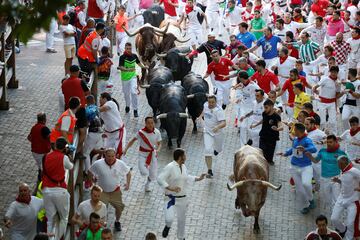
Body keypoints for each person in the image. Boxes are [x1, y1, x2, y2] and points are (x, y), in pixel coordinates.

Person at [157, 148, 207, 239]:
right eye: (185, 155)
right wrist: (170, 188)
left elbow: (186, 177)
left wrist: (199, 178)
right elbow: (160, 179)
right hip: (170, 198)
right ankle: (167, 226)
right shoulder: (170, 167)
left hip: (182, 199)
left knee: (181, 220)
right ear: (180, 157)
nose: (186, 157)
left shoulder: (183, 167)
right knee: (169, 218)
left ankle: (181, 237)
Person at [88, 148, 132, 232]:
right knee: (100, 209)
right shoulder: (98, 164)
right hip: (102, 192)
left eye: (113, 156)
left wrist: (128, 184)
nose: (111, 158)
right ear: (105, 155)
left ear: (115, 156)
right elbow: (90, 171)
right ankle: (100, 225)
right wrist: (91, 183)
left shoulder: (120, 163)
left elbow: (128, 173)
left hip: (115, 191)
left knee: (119, 208)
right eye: (109, 156)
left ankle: (117, 221)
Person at [278, 123, 317, 214]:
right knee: (299, 189)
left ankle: (311, 200)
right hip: (294, 167)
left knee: (306, 184)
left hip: (306, 167)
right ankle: (305, 206)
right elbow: (293, 149)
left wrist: (304, 149)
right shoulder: (295, 139)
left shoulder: (307, 140)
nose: (293, 131)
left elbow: (314, 149)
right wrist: (285, 153)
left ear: (299, 131)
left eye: (294, 130)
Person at [42, 137, 74, 239]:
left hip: (46, 190)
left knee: (50, 219)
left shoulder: (46, 156)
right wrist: (68, 156)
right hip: (60, 190)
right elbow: (70, 167)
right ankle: (57, 238)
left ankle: (49, 238)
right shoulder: (63, 158)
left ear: (55, 146)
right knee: (64, 218)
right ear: (64, 148)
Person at [306, 135, 346, 209]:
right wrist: (310, 156)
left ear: (335, 142)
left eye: (331, 142)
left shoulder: (341, 153)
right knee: (327, 200)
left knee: (336, 200)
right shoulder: (322, 151)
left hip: (335, 179)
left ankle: (336, 217)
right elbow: (316, 160)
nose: (328, 144)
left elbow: (347, 166)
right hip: (324, 179)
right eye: (327, 142)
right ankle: (330, 214)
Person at [123, 116, 162, 191]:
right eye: (148, 123)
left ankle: (147, 184)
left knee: (153, 175)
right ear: (145, 124)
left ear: (154, 123)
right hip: (142, 154)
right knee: (144, 172)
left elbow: (160, 143)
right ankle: (145, 170)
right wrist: (126, 149)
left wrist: (158, 150)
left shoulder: (157, 132)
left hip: (152, 154)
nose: (150, 125)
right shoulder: (141, 133)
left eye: (152, 123)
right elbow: (132, 141)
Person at [61, 65, 90, 158]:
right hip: (80, 109)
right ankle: (78, 151)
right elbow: (87, 92)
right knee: (83, 131)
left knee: (70, 131)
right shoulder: (80, 81)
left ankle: (70, 150)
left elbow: (64, 93)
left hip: (68, 109)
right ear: (77, 72)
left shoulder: (64, 83)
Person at [331, 155, 360, 239]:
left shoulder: (354, 171)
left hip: (352, 200)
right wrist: (338, 180)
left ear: (343, 163)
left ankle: (348, 238)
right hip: (341, 198)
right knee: (334, 219)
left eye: (338, 163)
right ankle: (343, 230)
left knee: (350, 223)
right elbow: (345, 183)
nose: (337, 165)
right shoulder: (342, 170)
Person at [119, 42, 147, 117]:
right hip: (124, 79)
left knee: (134, 92)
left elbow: (139, 63)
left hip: (133, 77)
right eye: (127, 48)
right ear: (125, 49)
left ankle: (135, 110)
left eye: (130, 48)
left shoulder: (134, 56)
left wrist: (144, 67)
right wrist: (128, 69)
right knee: (126, 94)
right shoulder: (122, 57)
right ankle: (127, 106)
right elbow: (121, 67)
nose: (129, 50)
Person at [251, 99, 283, 165]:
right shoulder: (264, 113)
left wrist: (277, 129)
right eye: (264, 107)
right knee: (261, 150)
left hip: (272, 138)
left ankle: (269, 161)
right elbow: (263, 120)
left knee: (269, 153)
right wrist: (255, 125)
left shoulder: (276, 116)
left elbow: (281, 127)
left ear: (271, 106)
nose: (265, 109)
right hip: (263, 135)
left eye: (266, 108)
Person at [312, 66, 341, 134]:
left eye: (335, 72)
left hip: (332, 103)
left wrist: (342, 92)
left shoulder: (338, 82)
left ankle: (334, 135)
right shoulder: (325, 79)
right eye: (332, 72)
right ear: (329, 72)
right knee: (322, 121)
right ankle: (321, 134)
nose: (333, 73)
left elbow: (337, 95)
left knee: (333, 121)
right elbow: (315, 86)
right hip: (322, 102)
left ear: (337, 73)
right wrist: (315, 91)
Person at [202, 95, 226, 178]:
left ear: (216, 102)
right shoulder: (205, 105)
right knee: (207, 150)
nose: (211, 104)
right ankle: (209, 170)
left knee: (219, 149)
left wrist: (217, 127)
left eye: (213, 102)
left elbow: (224, 123)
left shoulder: (219, 111)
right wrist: (199, 116)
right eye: (209, 102)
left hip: (218, 133)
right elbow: (203, 112)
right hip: (207, 132)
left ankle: (217, 150)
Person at [99, 92, 126, 156]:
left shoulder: (111, 103)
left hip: (118, 132)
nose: (99, 100)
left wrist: (93, 109)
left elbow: (104, 108)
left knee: (119, 152)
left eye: (100, 98)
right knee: (107, 152)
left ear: (105, 98)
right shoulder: (102, 107)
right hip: (109, 134)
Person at [27, 113, 51, 179]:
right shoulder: (45, 129)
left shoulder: (34, 127)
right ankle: (43, 178)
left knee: (40, 165)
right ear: (45, 120)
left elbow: (29, 137)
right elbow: (51, 138)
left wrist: (35, 142)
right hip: (43, 152)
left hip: (34, 152)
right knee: (45, 166)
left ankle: (40, 172)